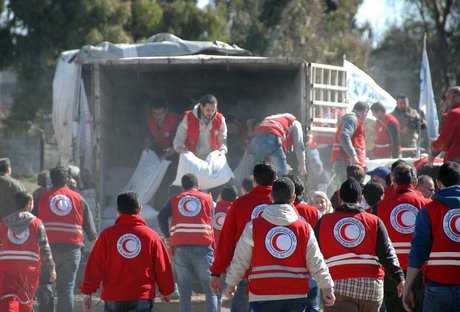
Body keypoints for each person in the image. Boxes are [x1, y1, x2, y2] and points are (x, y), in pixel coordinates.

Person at [224, 178, 336, 311]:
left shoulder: (253, 227)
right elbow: (316, 261)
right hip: (295, 296)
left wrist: (231, 284)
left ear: (271, 197)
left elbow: (240, 260)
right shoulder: (304, 228)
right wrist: (327, 287)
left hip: (262, 295)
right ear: (293, 198)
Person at [315, 178, 405, 311]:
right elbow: (387, 253)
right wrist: (399, 278)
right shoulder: (374, 221)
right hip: (371, 289)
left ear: (340, 199)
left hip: (338, 287)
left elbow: (313, 253)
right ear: (360, 199)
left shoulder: (324, 222)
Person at [80, 192, 174, 312]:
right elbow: (162, 265)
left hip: (114, 297)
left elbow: (94, 266)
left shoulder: (106, 236)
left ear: (117, 211)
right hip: (142, 296)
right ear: (140, 210)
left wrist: (87, 293)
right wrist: (166, 290)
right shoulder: (151, 236)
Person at [210, 161, 276, 312]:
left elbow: (226, 240)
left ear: (254, 180)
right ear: (275, 179)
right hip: (277, 276)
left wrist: (216, 271)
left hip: (246, 274)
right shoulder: (285, 205)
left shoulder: (240, 204)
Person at [37, 165, 97, 312]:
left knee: (45, 284)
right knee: (66, 289)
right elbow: (91, 231)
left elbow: (32, 223)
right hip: (72, 249)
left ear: (52, 179)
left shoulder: (41, 198)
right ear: (68, 179)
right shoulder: (78, 199)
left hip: (46, 250)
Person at [403, 161, 460, 312]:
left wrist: (407, 288)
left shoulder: (429, 210)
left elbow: (418, 251)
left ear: (438, 182)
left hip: (437, 285)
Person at [157, 173, 219, 312]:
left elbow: (161, 217)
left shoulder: (175, 199)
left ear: (182, 187)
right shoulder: (207, 199)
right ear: (198, 186)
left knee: (184, 291)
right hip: (203, 247)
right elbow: (213, 221)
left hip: (180, 248)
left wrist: (168, 236)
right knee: (211, 288)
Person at [376, 164, 430, 312]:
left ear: (394, 183)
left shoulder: (379, 207)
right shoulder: (429, 206)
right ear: (415, 182)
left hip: (391, 272)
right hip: (422, 271)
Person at [0, 192, 56, 312]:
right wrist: (52, 269)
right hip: (28, 269)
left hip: (6, 267)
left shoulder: (4, 222)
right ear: (29, 204)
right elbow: (45, 248)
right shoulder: (37, 223)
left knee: (7, 299)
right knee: (25, 301)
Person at [287, 174, 322, 312]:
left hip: (288, 272)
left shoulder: (279, 212)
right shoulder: (314, 212)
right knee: (312, 308)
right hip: (310, 271)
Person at [328, 101, 369, 197]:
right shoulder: (353, 118)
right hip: (345, 161)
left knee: (337, 189)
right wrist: (354, 156)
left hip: (345, 162)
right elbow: (344, 135)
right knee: (346, 192)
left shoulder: (352, 119)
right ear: (365, 111)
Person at [174, 94, 227, 160]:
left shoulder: (220, 119)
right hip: (192, 158)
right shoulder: (188, 118)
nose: (211, 113)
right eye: (208, 110)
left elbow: (222, 139)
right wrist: (182, 152)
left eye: (213, 110)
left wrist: (222, 151)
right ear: (201, 107)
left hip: (212, 158)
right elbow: (178, 139)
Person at [429, 86, 460, 164]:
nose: (446, 101)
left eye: (448, 98)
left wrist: (434, 146)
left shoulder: (453, 114)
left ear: (457, 98)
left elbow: (444, 140)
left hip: (456, 159)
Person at [213, 184, 238, 249]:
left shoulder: (211, 211)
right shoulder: (237, 213)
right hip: (231, 253)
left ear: (220, 197)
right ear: (236, 198)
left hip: (214, 254)